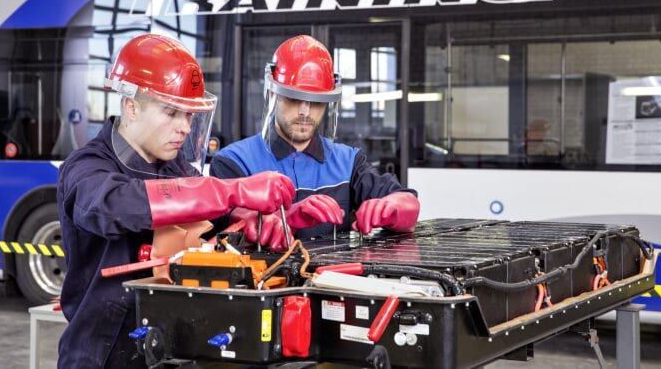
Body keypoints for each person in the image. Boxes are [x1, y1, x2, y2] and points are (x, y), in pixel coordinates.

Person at [56, 34, 295, 368]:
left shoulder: (175, 167)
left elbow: (214, 218)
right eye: (172, 113)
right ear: (131, 106)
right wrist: (230, 189)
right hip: (103, 352)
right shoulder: (86, 166)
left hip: (169, 347)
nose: (184, 128)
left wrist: (269, 218)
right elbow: (114, 205)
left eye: (189, 116)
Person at [210, 35, 420, 250]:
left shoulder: (348, 160)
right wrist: (287, 217)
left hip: (334, 280)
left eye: (316, 102)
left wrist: (392, 207)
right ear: (273, 94)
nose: (305, 112)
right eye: (293, 99)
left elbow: (407, 203)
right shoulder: (233, 161)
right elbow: (232, 225)